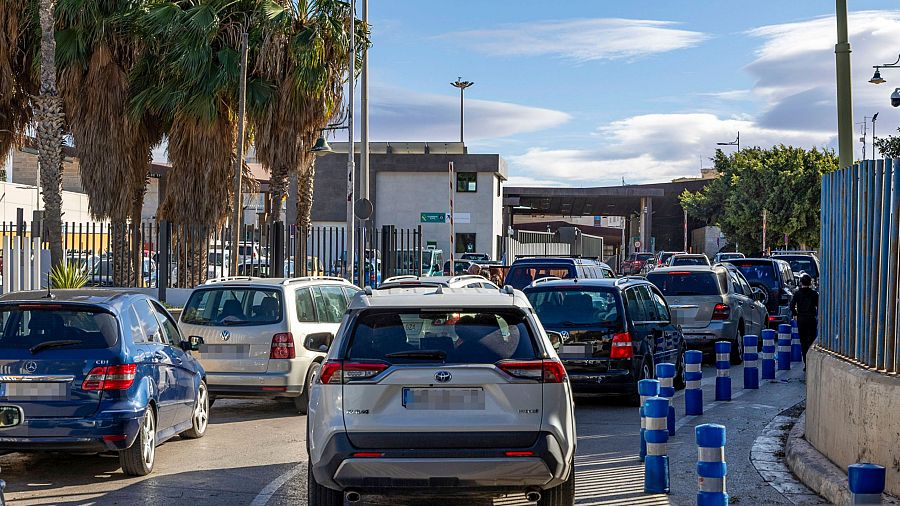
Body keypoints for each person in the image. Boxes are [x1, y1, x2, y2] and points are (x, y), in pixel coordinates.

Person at [789, 273, 819, 369]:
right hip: (811, 319)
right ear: (810, 283)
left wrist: (795, 314)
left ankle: (806, 363)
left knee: (803, 341)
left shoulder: (797, 294)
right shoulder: (814, 294)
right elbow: (819, 306)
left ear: (801, 282)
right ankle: (811, 362)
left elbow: (792, 305)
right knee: (811, 341)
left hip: (801, 319)